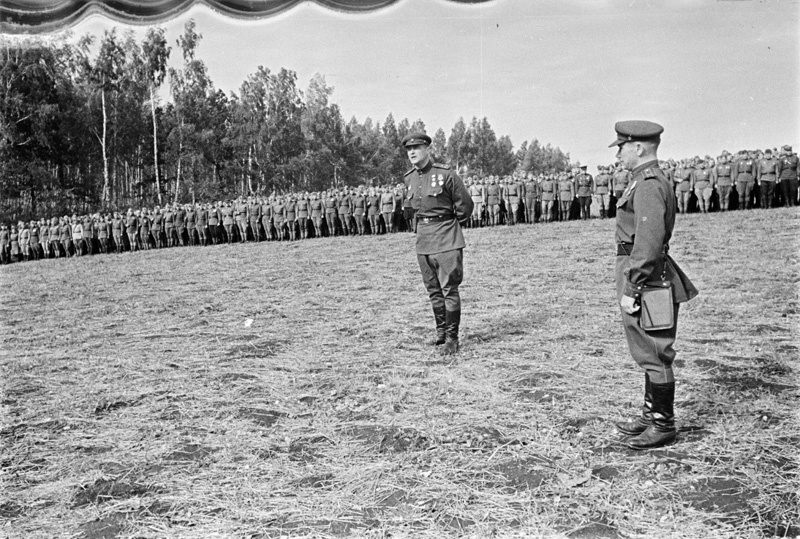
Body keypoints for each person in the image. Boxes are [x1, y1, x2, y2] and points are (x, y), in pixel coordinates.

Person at [609, 120, 698, 450]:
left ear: (639, 147)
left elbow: (647, 240)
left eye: (621, 147)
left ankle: (663, 424)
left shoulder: (647, 183)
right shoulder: (642, 181)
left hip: (647, 278)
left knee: (656, 349)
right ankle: (651, 415)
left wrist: (632, 286)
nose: (618, 154)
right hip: (644, 274)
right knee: (647, 347)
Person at [402, 132, 473, 355]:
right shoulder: (409, 178)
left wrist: (449, 225)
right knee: (433, 290)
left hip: (446, 238)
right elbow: (411, 209)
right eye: (408, 149)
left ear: (427, 150)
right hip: (423, 239)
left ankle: (452, 338)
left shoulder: (446, 175)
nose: (412, 152)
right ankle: (441, 333)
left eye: (417, 148)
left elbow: (465, 206)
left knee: (449, 289)